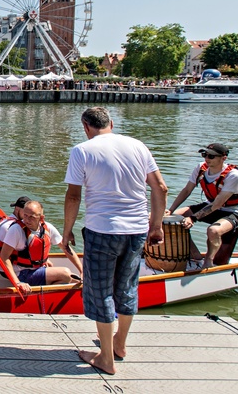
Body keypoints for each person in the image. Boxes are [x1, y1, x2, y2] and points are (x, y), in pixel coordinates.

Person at [63, 107, 167, 376]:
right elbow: (160, 187)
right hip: (136, 230)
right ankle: (120, 343)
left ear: (86, 126)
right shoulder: (137, 145)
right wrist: (155, 227)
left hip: (102, 230)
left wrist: (67, 232)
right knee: (127, 287)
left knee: (100, 291)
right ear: (112, 123)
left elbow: (73, 196)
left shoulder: (82, 151)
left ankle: (106, 358)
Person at [168, 143, 238, 269]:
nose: (206, 158)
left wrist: (193, 218)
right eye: (204, 155)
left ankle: (208, 261)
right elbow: (187, 190)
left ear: (223, 158)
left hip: (233, 211)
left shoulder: (233, 176)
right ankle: (194, 254)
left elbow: (217, 205)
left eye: (211, 156)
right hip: (210, 205)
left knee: (213, 231)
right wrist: (170, 210)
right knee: (171, 219)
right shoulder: (201, 168)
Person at [0, 197, 82, 293]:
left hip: (36, 269)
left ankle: (43, 296)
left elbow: (65, 248)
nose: (27, 220)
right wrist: (17, 283)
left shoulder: (48, 228)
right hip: (21, 273)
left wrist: (81, 270)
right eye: (25, 216)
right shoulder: (16, 230)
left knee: (74, 279)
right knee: (65, 273)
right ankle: (44, 295)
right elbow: (4, 257)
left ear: (41, 218)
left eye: (31, 217)